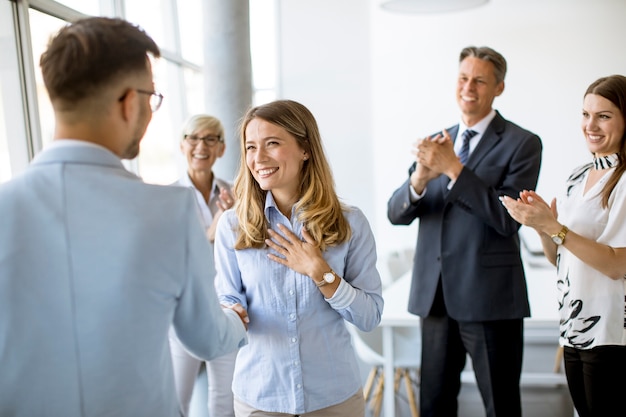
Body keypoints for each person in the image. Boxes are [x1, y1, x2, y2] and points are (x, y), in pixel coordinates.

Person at [0, 17, 248, 417]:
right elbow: (205, 339)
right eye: (152, 97)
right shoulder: (169, 211)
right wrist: (236, 321)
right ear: (130, 102)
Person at [387, 46, 543, 417]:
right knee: (434, 405)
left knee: (501, 405)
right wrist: (419, 179)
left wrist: (455, 171)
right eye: (462, 78)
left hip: (490, 298)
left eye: (479, 80)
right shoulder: (438, 140)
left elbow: (508, 219)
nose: (468, 87)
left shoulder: (523, 143)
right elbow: (396, 213)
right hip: (436, 298)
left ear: (499, 88)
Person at [213, 99, 384, 417]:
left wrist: (323, 274)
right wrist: (228, 312)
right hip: (261, 398)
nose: (258, 158)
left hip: (334, 399)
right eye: (251, 147)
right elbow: (228, 299)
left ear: (305, 149)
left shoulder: (350, 223)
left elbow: (370, 316)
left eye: (272, 144)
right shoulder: (233, 226)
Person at [500, 74, 626, 417]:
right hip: (574, 326)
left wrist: (555, 227)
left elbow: (617, 264)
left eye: (604, 115)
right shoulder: (577, 176)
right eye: (585, 114)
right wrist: (542, 227)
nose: (591, 125)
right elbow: (560, 257)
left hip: (612, 329)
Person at [169, 114, 238, 417]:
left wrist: (235, 220)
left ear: (221, 148)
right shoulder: (168, 198)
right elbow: (175, 254)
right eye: (194, 138)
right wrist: (217, 227)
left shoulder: (234, 193)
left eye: (211, 139)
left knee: (225, 399)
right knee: (176, 399)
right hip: (184, 309)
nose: (202, 146)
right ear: (183, 145)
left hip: (225, 306)